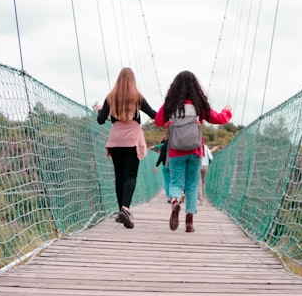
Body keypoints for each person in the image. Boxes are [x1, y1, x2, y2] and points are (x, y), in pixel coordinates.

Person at [154, 71, 232, 233]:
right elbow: (219, 118)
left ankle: (175, 201)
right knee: (192, 185)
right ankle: (189, 221)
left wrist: (170, 123)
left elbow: (158, 121)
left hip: (175, 150)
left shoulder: (171, 104)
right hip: (196, 150)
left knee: (175, 182)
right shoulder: (198, 105)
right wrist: (227, 111)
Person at [96, 67, 157, 229]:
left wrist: (101, 111)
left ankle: (121, 211)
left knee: (119, 176)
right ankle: (125, 209)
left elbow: (101, 120)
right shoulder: (137, 97)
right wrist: (168, 117)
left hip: (116, 139)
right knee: (130, 176)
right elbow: (153, 115)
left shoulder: (111, 97)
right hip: (132, 140)